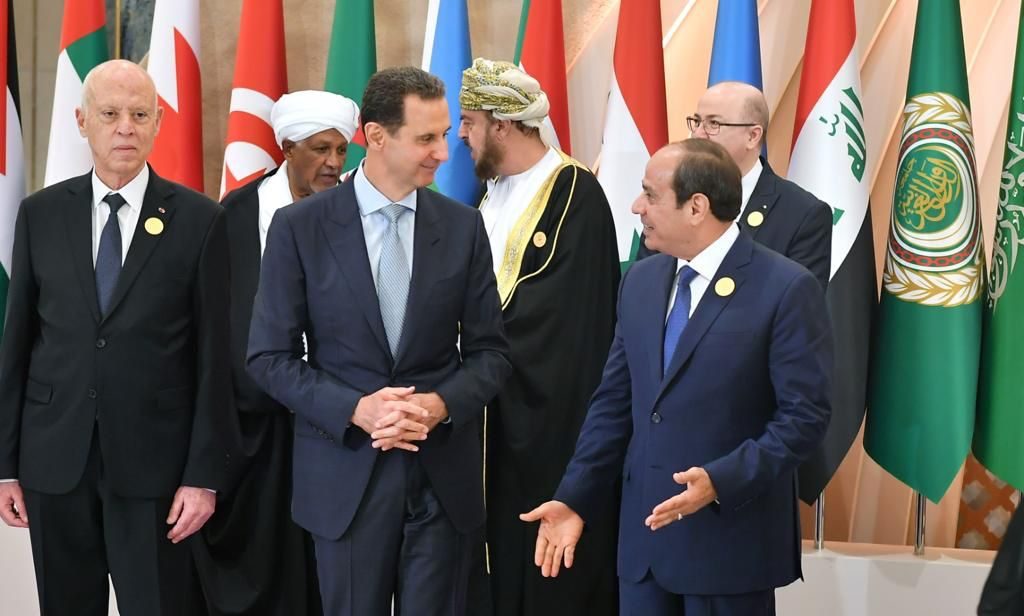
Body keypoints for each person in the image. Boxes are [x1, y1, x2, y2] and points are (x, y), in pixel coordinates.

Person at [523, 138, 832, 616]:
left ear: (697, 207)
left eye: (650, 195)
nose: (636, 206)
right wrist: (575, 497)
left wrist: (720, 480)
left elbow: (804, 418)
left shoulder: (786, 288)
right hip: (645, 551)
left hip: (729, 549)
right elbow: (613, 405)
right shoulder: (640, 281)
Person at [246, 66, 511, 616]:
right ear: (376, 136)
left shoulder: (463, 227)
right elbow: (268, 358)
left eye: (445, 134)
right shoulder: (300, 227)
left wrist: (440, 405)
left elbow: (491, 354)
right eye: (426, 138)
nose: (444, 153)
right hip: (344, 477)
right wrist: (356, 409)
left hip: (441, 480)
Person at [0, 59, 230, 616]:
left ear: (158, 123)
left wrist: (203, 477)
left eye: (140, 115)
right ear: (82, 121)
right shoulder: (40, 214)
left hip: (157, 471)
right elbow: (18, 343)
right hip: (56, 461)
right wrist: (6, 464)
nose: (125, 127)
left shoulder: (200, 220)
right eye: (109, 114)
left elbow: (215, 359)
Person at [457, 58, 620, 616]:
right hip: (491, 420)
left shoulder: (575, 192)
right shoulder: (493, 193)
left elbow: (560, 321)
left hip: (548, 426)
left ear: (502, 125)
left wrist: (467, 347)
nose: (461, 136)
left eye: (469, 122)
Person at [192, 90, 359, 616]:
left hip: (336, 424)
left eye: (341, 150)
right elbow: (216, 326)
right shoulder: (235, 216)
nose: (333, 162)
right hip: (255, 433)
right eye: (320, 149)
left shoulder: (361, 212)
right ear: (287, 148)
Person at [636, 81, 832, 291]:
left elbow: (800, 302)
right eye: (697, 121)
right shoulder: (671, 193)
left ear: (752, 136)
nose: (698, 134)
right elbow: (644, 285)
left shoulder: (802, 213)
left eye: (713, 124)